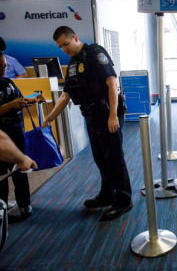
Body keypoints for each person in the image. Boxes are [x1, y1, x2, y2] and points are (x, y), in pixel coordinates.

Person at [42, 26, 132, 221]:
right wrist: (50, 117)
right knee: (100, 158)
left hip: (108, 114)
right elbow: (65, 95)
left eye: (66, 44)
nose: (64, 49)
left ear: (75, 37)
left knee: (114, 158)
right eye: (60, 47)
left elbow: (112, 84)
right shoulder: (73, 63)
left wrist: (113, 115)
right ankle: (107, 195)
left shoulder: (95, 53)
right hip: (92, 117)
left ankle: (124, 200)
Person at [0, 51, 44, 222]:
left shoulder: (7, 82)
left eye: (5, 66)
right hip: (2, 136)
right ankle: (2, 208)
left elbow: (19, 99)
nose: (3, 69)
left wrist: (31, 100)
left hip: (15, 132)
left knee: (20, 170)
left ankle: (25, 205)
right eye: (0, 67)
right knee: (2, 176)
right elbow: (10, 105)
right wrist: (10, 106)